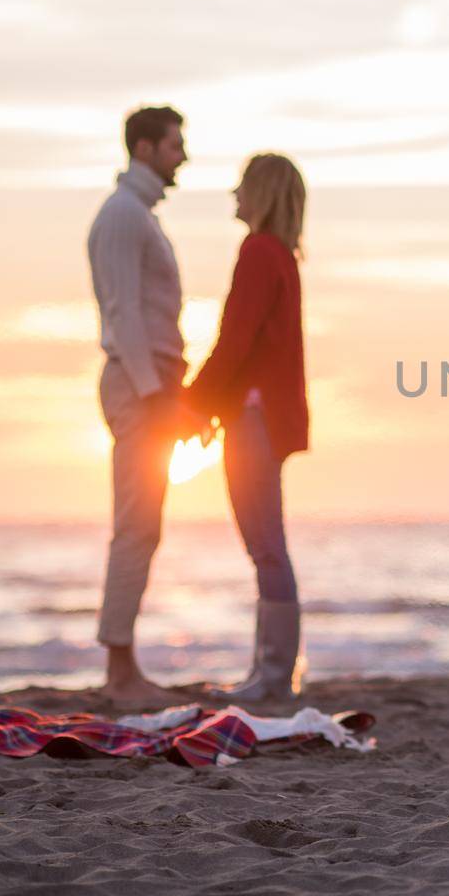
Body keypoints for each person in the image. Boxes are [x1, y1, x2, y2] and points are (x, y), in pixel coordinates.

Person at [183, 153, 311, 702]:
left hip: (255, 417)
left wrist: (190, 404)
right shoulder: (280, 254)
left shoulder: (260, 252)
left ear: (259, 194)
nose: (234, 194)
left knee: (265, 544)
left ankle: (274, 677)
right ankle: (270, 672)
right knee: (265, 543)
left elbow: (235, 339)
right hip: (266, 414)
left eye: (242, 186)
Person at [87, 105, 199, 706]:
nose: (183, 155)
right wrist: (158, 398)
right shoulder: (123, 216)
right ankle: (120, 671)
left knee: (144, 526)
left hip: (151, 383)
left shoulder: (138, 214)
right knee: (135, 526)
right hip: (139, 386)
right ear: (147, 147)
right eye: (176, 145)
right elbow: (124, 314)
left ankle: (123, 663)